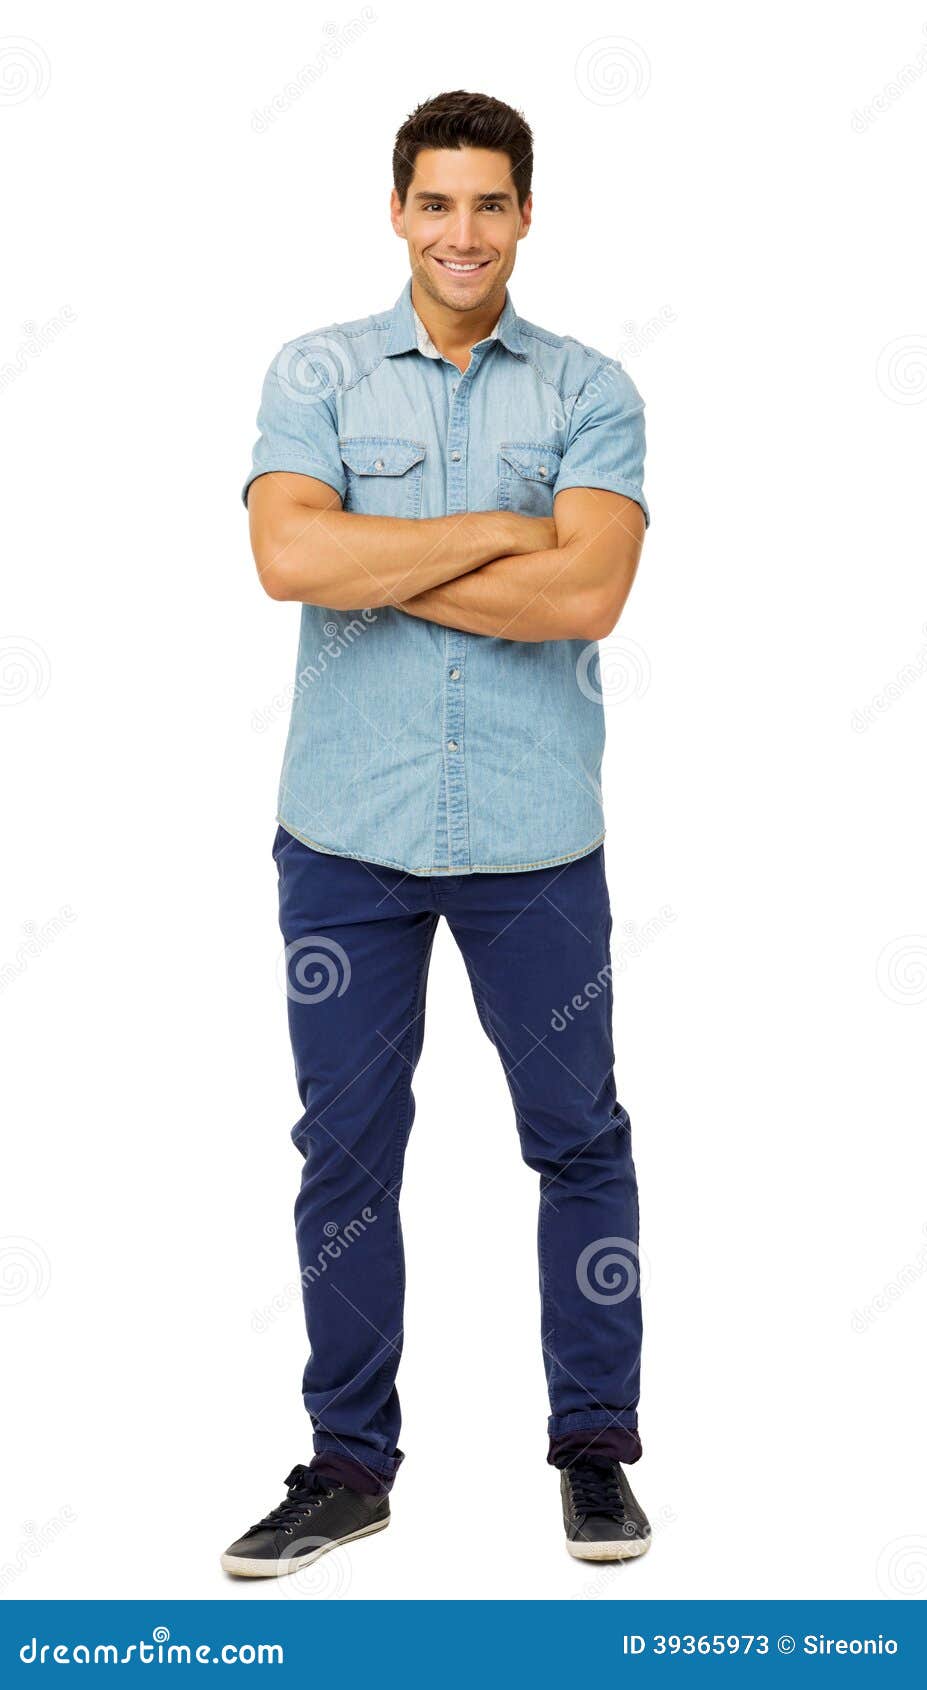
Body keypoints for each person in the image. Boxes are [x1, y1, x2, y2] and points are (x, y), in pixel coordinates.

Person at [222, 88, 652, 1577]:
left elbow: (589, 597)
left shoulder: (592, 390)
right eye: (435, 203)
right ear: (397, 211)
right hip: (347, 835)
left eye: (489, 204)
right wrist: (507, 533)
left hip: (537, 841)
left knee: (578, 1139)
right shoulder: (318, 373)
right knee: (344, 1153)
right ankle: (349, 1462)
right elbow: (288, 553)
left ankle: (595, 1448)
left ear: (526, 214)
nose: (461, 233)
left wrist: (375, 560)